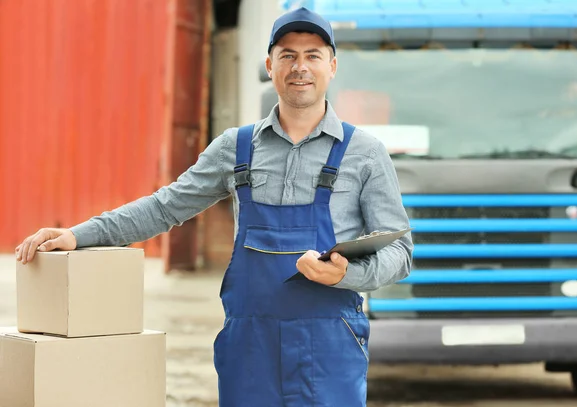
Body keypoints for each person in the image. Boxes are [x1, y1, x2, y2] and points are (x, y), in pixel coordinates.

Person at [15, 7, 413, 407]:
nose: (300, 67)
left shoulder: (365, 153)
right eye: (288, 54)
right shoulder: (235, 148)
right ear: (269, 65)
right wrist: (76, 234)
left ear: (332, 66)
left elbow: (400, 253)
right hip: (249, 351)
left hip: (332, 346)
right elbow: (164, 207)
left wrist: (348, 274)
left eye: (312, 55)